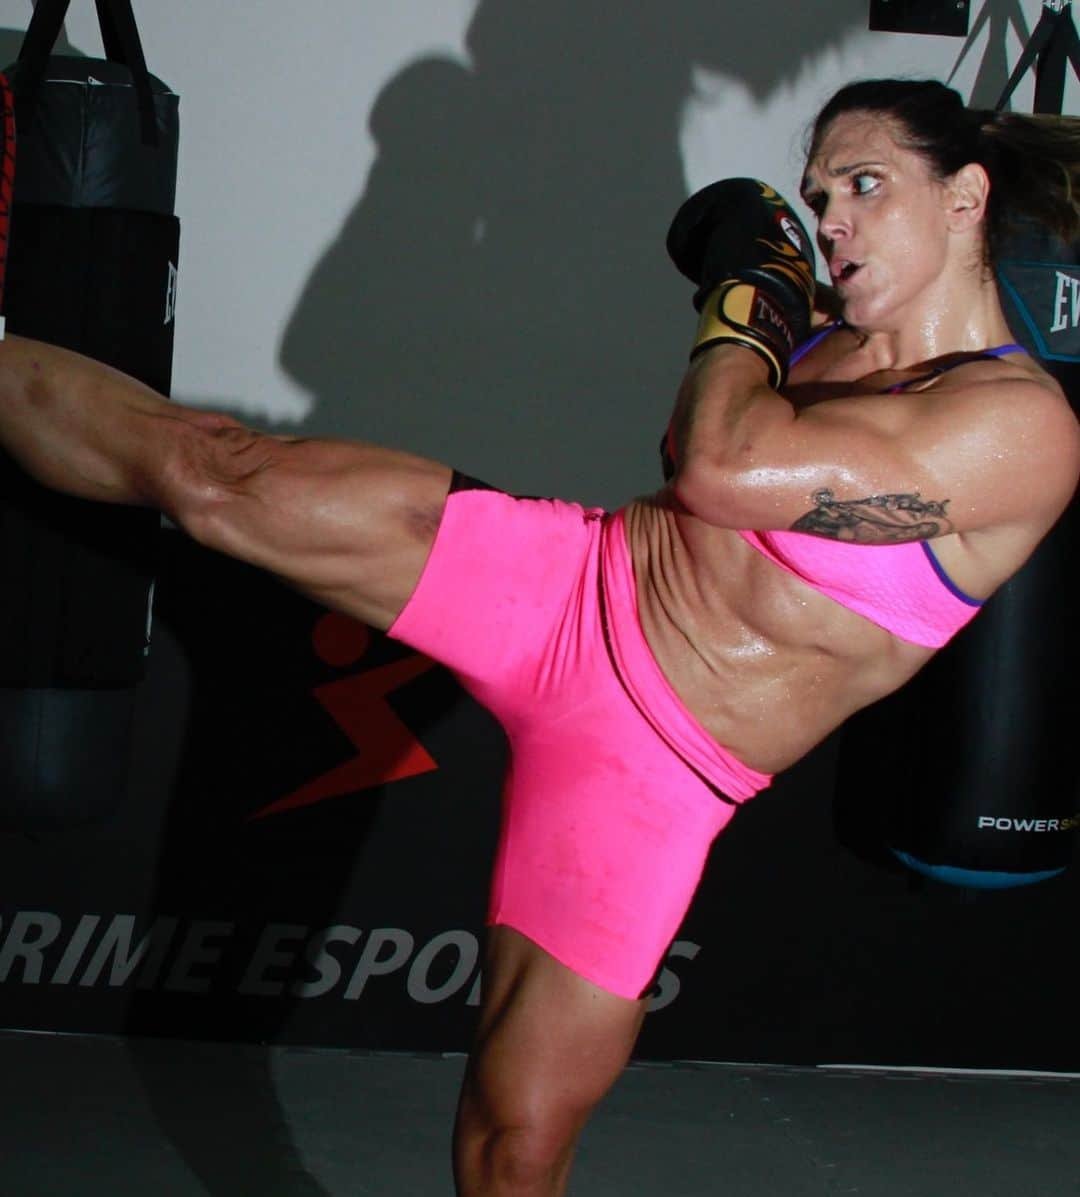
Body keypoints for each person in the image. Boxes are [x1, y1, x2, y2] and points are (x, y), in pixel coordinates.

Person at [1, 77, 1078, 1195]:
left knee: (512, 1142)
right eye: (817, 199)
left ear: (965, 196)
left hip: (656, 765)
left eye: (864, 186)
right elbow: (692, 454)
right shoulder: (820, 348)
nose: (833, 222)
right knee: (216, 473)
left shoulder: (1018, 426)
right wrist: (761, 310)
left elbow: (720, 468)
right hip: (565, 582)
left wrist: (750, 289)